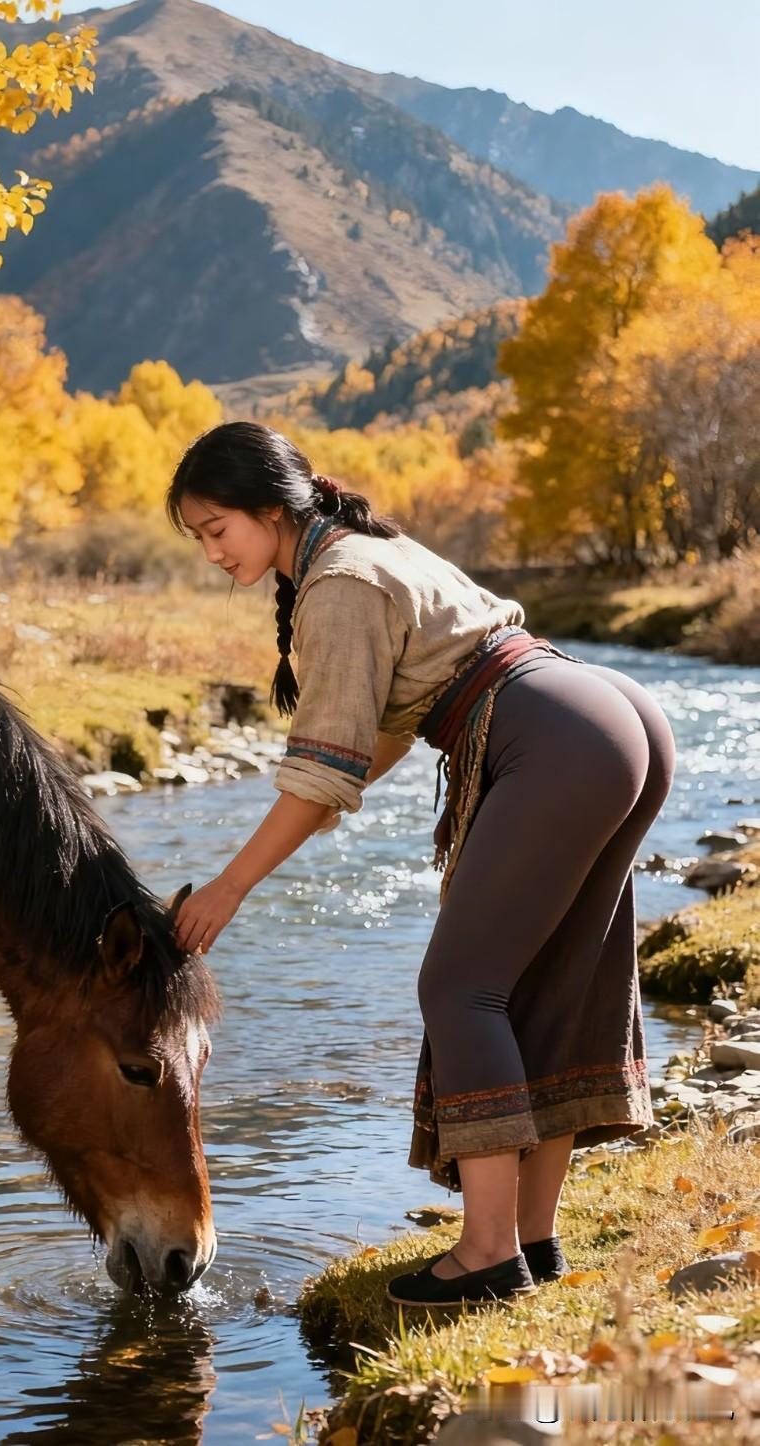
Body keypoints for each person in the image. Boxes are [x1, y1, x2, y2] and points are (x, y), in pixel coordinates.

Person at [167, 420, 676, 1307]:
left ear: (270, 509)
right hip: (608, 719)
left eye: (217, 531)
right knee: (542, 984)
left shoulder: (336, 584)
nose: (211, 554)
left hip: (554, 742)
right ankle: (531, 1242)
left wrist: (229, 885)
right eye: (198, 538)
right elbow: (380, 734)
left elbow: (326, 763)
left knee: (459, 991)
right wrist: (327, 803)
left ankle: (485, 1256)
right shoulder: (365, 549)